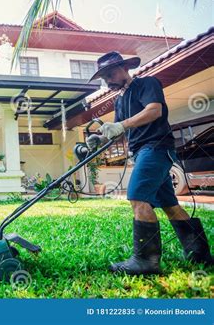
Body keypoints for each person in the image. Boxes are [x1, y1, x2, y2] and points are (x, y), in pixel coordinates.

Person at [87, 51, 212, 275]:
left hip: (155, 147)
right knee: (170, 206)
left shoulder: (147, 84)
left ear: (126, 68)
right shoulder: (120, 100)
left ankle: (146, 261)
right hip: (142, 151)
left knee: (137, 197)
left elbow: (154, 111)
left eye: (111, 73)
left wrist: (122, 125)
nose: (108, 79)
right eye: (104, 77)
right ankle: (200, 254)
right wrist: (101, 137)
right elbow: (118, 130)